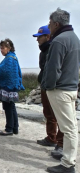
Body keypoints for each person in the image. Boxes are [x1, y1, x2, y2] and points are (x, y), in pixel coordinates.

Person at [41, 8, 80, 173]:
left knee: (68, 128)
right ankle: (68, 157)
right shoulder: (74, 38)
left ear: (56, 24)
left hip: (60, 90)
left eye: (50, 23)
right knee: (71, 126)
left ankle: (68, 164)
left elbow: (53, 69)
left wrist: (47, 87)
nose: (49, 26)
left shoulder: (58, 41)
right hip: (71, 88)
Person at [33, 25, 64, 155]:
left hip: (54, 87)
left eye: (39, 37)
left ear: (47, 36)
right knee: (49, 114)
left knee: (59, 115)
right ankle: (51, 138)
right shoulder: (44, 51)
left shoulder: (53, 48)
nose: (37, 40)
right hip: (45, 85)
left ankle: (60, 143)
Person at [0, 38, 25, 136]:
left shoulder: (9, 59)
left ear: (8, 48)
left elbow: (3, 72)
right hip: (13, 87)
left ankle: (9, 128)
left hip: (8, 87)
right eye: (0, 48)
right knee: (12, 107)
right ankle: (15, 128)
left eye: (2, 48)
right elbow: (18, 72)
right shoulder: (14, 57)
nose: (1, 50)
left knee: (7, 108)